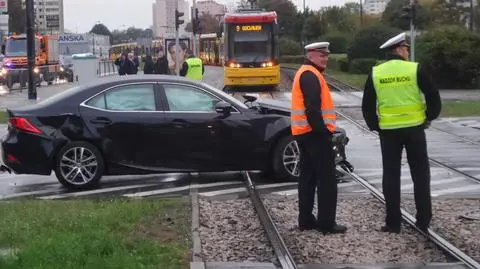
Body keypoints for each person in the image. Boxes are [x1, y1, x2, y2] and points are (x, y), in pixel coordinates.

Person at [361, 32, 442, 233]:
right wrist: (429, 116)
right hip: (415, 129)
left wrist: (375, 125)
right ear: (398, 49)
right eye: (406, 48)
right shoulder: (415, 69)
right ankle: (423, 219)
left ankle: (393, 222)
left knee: (391, 176)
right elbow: (433, 95)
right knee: (421, 175)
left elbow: (367, 105)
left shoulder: (376, 73)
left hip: (389, 132)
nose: (407, 52)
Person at [290, 42, 347, 235]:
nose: (326, 59)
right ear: (311, 55)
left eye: (327, 55)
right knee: (327, 179)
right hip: (315, 135)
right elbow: (312, 109)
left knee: (307, 177)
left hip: (305, 133)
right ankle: (326, 223)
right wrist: (323, 133)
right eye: (322, 55)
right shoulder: (310, 75)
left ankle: (305, 220)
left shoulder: (306, 73)